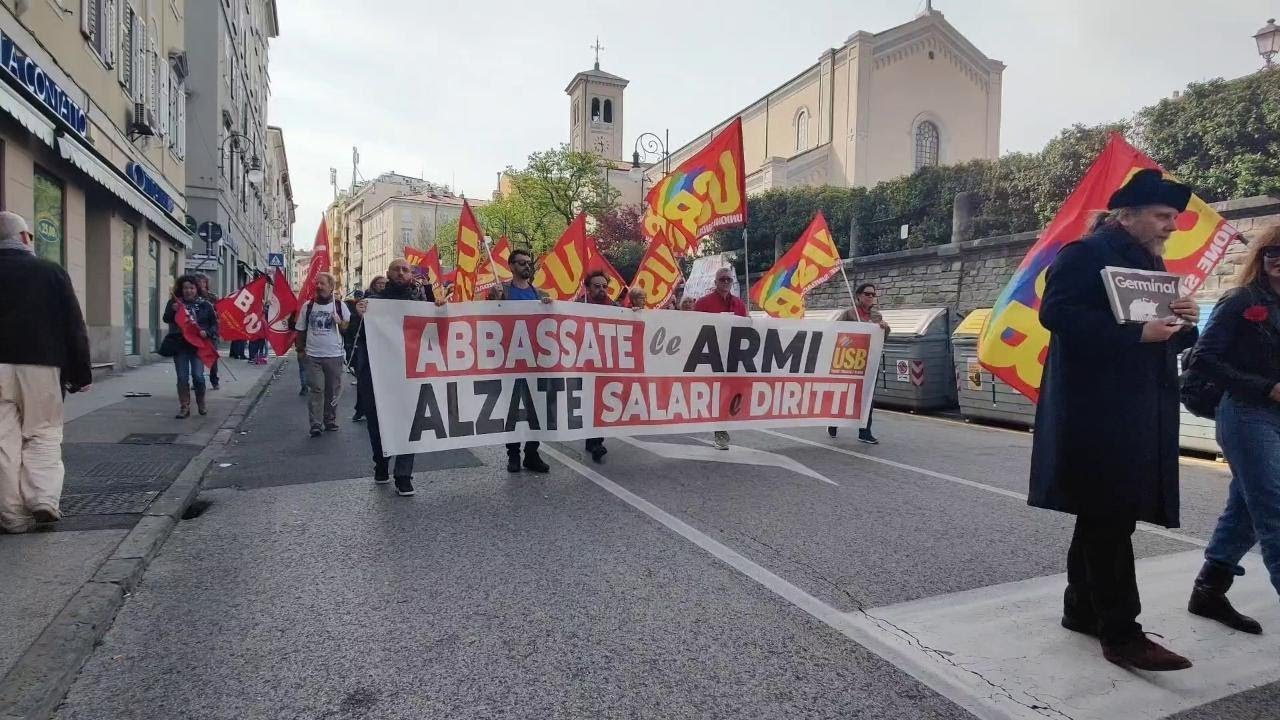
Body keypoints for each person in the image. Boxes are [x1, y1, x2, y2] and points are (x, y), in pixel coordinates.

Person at [1030, 169, 1200, 671]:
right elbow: (1057, 315)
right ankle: (1122, 632)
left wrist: (1183, 320)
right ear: (1127, 215)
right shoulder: (1084, 254)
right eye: (1163, 216)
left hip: (1138, 406)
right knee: (1108, 515)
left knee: (1107, 513)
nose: (1172, 225)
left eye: (1174, 217)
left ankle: (1082, 608)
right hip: (1097, 408)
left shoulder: (1151, 263)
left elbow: (1164, 335)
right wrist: (1136, 335)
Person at [1187, 226, 1280, 633]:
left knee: (1246, 506)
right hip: (1245, 413)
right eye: (1274, 253)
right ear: (1261, 258)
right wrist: (1266, 387)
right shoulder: (1241, 301)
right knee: (1275, 511)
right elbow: (1203, 358)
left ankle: (1209, 589)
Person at [0, 212, 91, 533]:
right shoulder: (50, 272)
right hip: (41, 365)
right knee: (43, 433)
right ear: (25, 238)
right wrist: (81, 374)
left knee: (3, 441)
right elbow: (73, 326)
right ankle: (42, 498)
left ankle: (11, 515)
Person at [353, 259, 443, 496]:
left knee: (409, 419)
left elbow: (435, 336)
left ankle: (404, 475)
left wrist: (440, 309)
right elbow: (356, 337)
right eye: (397, 269)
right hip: (376, 372)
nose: (401, 273)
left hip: (408, 373)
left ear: (412, 275)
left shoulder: (421, 304)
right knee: (377, 420)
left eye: (406, 270)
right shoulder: (373, 303)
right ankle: (381, 463)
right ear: (388, 273)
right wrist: (358, 316)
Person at [489, 248, 553, 473]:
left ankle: (532, 453)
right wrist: (493, 301)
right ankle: (513, 454)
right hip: (509, 360)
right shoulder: (501, 291)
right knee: (513, 409)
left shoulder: (541, 294)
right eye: (522, 262)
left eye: (529, 262)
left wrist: (551, 308)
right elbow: (486, 319)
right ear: (511, 266)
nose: (528, 266)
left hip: (536, 361)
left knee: (538, 408)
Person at [829, 283, 891, 444]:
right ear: (858, 296)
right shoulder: (849, 314)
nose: (870, 297)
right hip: (850, 362)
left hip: (869, 362)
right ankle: (833, 422)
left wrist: (885, 328)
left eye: (873, 295)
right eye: (867, 294)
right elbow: (835, 333)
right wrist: (849, 340)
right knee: (845, 394)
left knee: (867, 397)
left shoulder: (877, 316)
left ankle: (865, 431)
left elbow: (882, 339)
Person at [693, 267, 748, 450]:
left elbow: (747, 327)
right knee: (710, 393)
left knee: (726, 394)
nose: (725, 282)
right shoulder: (703, 303)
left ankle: (721, 430)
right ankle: (714, 427)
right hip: (708, 357)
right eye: (722, 279)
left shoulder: (739, 304)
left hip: (732, 357)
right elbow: (690, 326)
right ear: (715, 282)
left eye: (728, 280)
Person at [293, 272, 349, 438]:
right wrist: (300, 350)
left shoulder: (339, 306)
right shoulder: (308, 307)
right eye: (317, 283)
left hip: (334, 355)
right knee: (317, 389)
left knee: (332, 390)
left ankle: (329, 419)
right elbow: (300, 330)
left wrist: (340, 322)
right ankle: (316, 423)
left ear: (331, 287)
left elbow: (348, 329)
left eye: (322, 283)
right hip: (313, 356)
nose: (318, 286)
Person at [163, 275, 218, 419]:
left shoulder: (205, 305)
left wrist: (207, 333)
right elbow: (166, 318)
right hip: (180, 346)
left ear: (196, 289)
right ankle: (184, 407)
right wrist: (173, 310)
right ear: (181, 289)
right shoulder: (175, 303)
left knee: (198, 376)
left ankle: (201, 402)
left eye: (191, 288)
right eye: (185, 288)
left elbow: (215, 325)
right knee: (182, 377)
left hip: (198, 346)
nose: (188, 291)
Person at [580, 270, 617, 463]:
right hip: (584, 365)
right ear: (587, 288)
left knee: (602, 403)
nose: (602, 289)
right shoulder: (578, 306)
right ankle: (593, 442)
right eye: (597, 286)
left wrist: (634, 313)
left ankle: (595, 442)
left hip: (606, 365)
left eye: (605, 286)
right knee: (589, 404)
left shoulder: (615, 306)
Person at [348, 277, 386, 422]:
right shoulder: (365, 302)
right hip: (367, 346)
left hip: (385, 347)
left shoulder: (390, 300)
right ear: (373, 285)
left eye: (384, 284)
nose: (382, 286)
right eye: (379, 284)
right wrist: (359, 315)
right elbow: (354, 326)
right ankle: (360, 409)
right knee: (365, 379)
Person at [195, 273, 220, 390]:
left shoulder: (212, 297)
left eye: (203, 282)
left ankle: (214, 380)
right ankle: (198, 380)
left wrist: (215, 313)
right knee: (196, 358)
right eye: (198, 282)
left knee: (213, 358)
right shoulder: (192, 298)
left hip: (210, 333)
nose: (201, 284)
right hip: (196, 334)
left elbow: (219, 315)